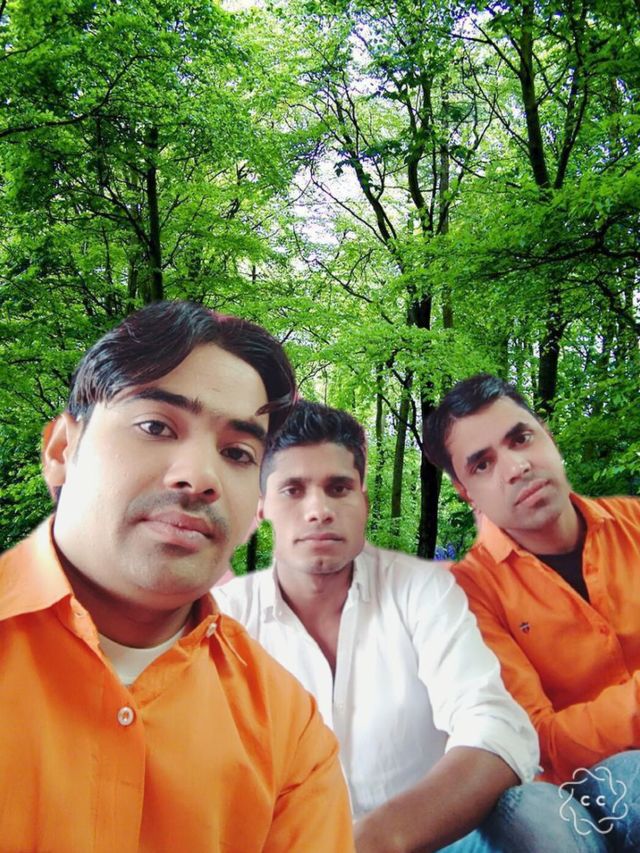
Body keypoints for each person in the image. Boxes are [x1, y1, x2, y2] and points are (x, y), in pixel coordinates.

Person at [0, 301, 353, 852]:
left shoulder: (288, 731)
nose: (199, 477)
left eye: (237, 453)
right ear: (63, 449)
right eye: (155, 426)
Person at [215, 399, 603, 853]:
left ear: (363, 501)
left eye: (338, 488)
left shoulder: (422, 591)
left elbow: (497, 725)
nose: (318, 510)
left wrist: (380, 838)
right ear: (261, 506)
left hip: (433, 839)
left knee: (533, 809)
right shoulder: (222, 621)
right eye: (293, 490)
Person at [424, 372, 640, 849]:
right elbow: (535, 739)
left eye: (521, 438)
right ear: (466, 492)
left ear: (548, 436)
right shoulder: (469, 596)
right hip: (555, 792)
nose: (516, 467)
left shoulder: (635, 525)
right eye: (483, 465)